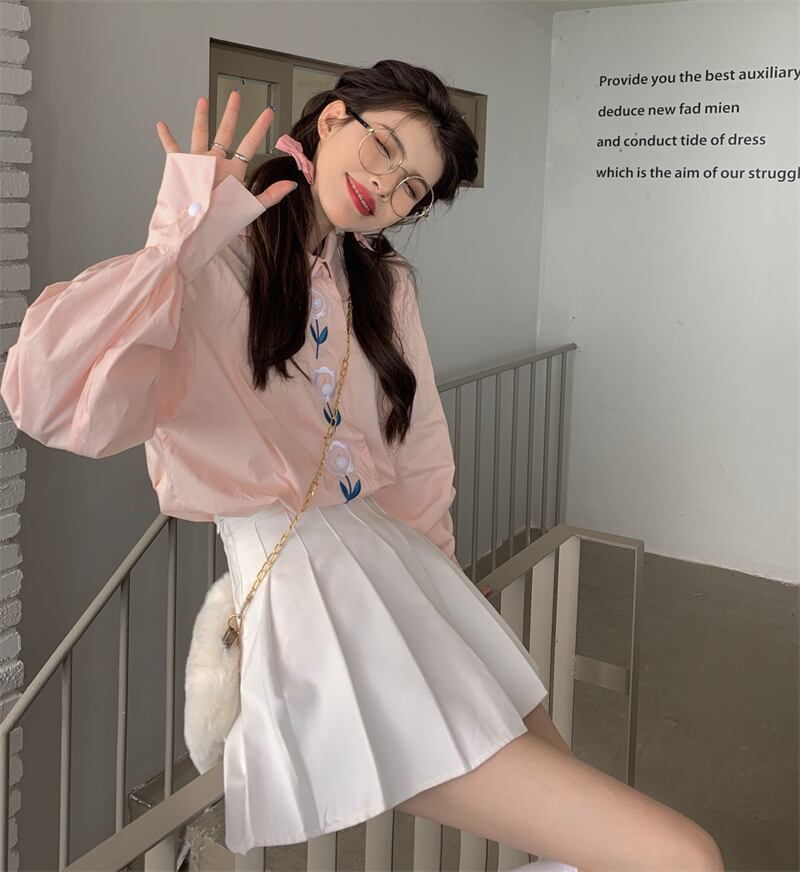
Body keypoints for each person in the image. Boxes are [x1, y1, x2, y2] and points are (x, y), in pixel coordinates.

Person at [0, 59, 724, 871]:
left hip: (405, 574)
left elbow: (419, 455)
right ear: (333, 120)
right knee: (678, 856)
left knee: (593, 828)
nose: (388, 185)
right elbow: (46, 396)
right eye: (384, 148)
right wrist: (177, 243)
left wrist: (447, 577)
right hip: (316, 604)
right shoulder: (214, 260)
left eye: (414, 187)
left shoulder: (381, 282)